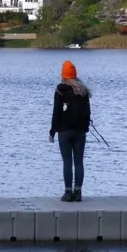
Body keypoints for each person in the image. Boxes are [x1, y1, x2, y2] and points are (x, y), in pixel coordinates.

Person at [49, 60, 91, 202]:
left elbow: (56, 112)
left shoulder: (60, 90)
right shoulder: (83, 91)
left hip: (64, 131)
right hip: (80, 131)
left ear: (64, 75)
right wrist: (85, 128)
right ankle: (78, 193)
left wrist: (52, 131)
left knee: (67, 162)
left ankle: (68, 193)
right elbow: (88, 112)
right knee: (79, 162)